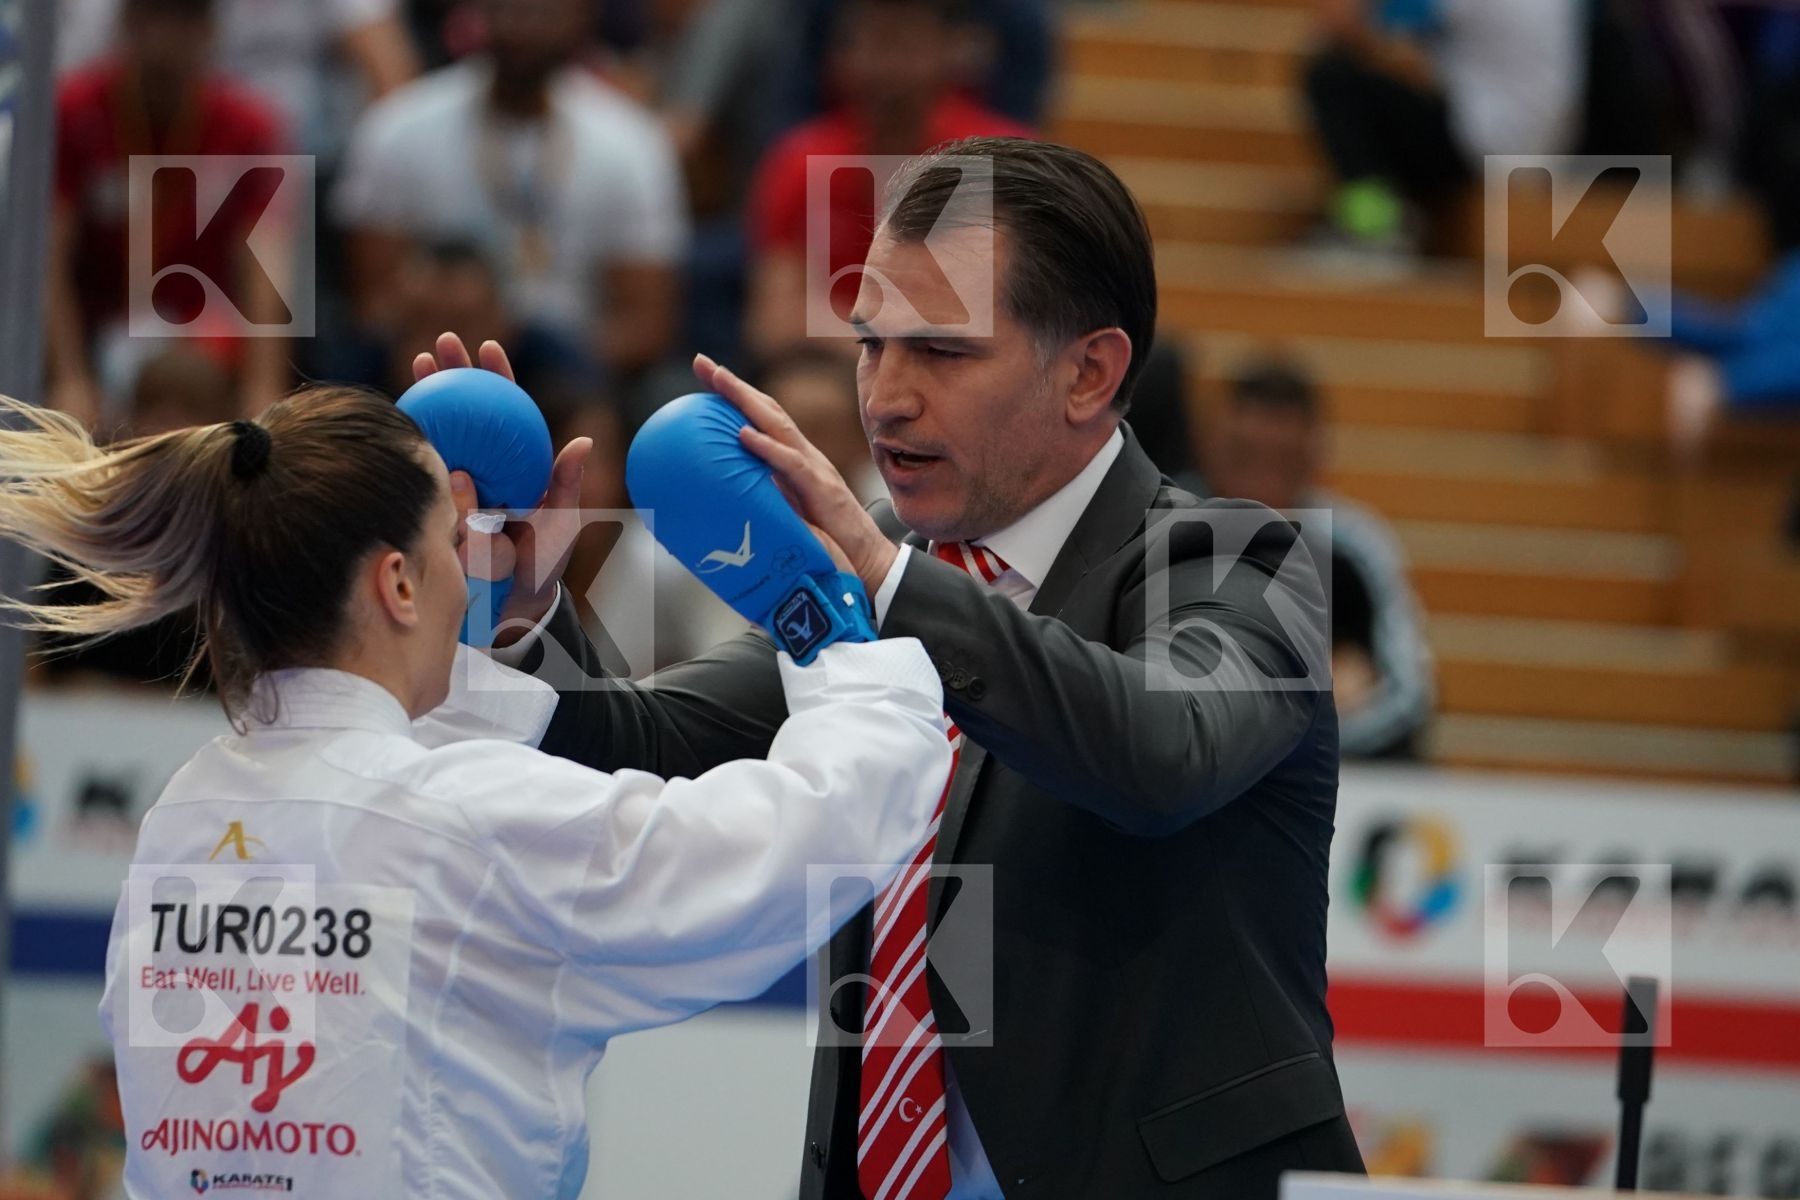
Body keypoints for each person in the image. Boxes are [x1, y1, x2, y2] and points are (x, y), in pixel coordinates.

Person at [444, 135, 1366, 1199]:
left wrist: (885, 582)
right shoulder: (884, 574)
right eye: (871, 344)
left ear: (1090, 372)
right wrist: (520, 614)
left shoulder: (1235, 557)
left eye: (941, 351)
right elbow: (649, 746)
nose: (884, 398)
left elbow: (1159, 751)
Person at [0, 386, 951, 1196]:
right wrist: (833, 636)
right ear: (399, 586)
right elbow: (793, 848)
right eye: (456, 546)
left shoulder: (184, 815)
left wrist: (505, 622)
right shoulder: (463, 823)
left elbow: (386, 834)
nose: (471, 575)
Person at [332, 0, 687, 380]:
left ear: (583, 16)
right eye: (507, 8)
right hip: (431, 362)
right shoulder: (399, 128)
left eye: (544, 11)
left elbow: (647, 326)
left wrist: (525, 350)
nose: (523, 26)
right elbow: (373, 302)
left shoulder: (631, 143)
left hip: (574, 374)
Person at [48, 0, 292, 428]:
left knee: (184, 387)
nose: (165, 37)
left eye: (185, 17)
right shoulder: (72, 111)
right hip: (95, 329)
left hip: (200, 336)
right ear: (126, 22)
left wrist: (263, 384)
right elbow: (46, 259)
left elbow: (266, 268)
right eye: (152, 15)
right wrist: (69, 374)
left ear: (209, 29)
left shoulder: (248, 124)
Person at [743, 0, 1033, 362]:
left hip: (963, 371)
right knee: (810, 401)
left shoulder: (1007, 159)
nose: (888, 68)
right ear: (840, 57)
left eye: (908, 46)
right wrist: (897, 351)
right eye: (874, 42)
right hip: (838, 370)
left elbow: (1011, 322)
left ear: (954, 52)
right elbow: (776, 322)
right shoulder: (797, 160)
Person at [1196, 359, 1434, 760]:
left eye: (1281, 459)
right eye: (1246, 455)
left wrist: (1292, 740)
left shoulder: (1354, 544)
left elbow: (1407, 693)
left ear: (1315, 453)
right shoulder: (1160, 527)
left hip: (1326, 777)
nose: (1261, 480)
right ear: (1210, 445)